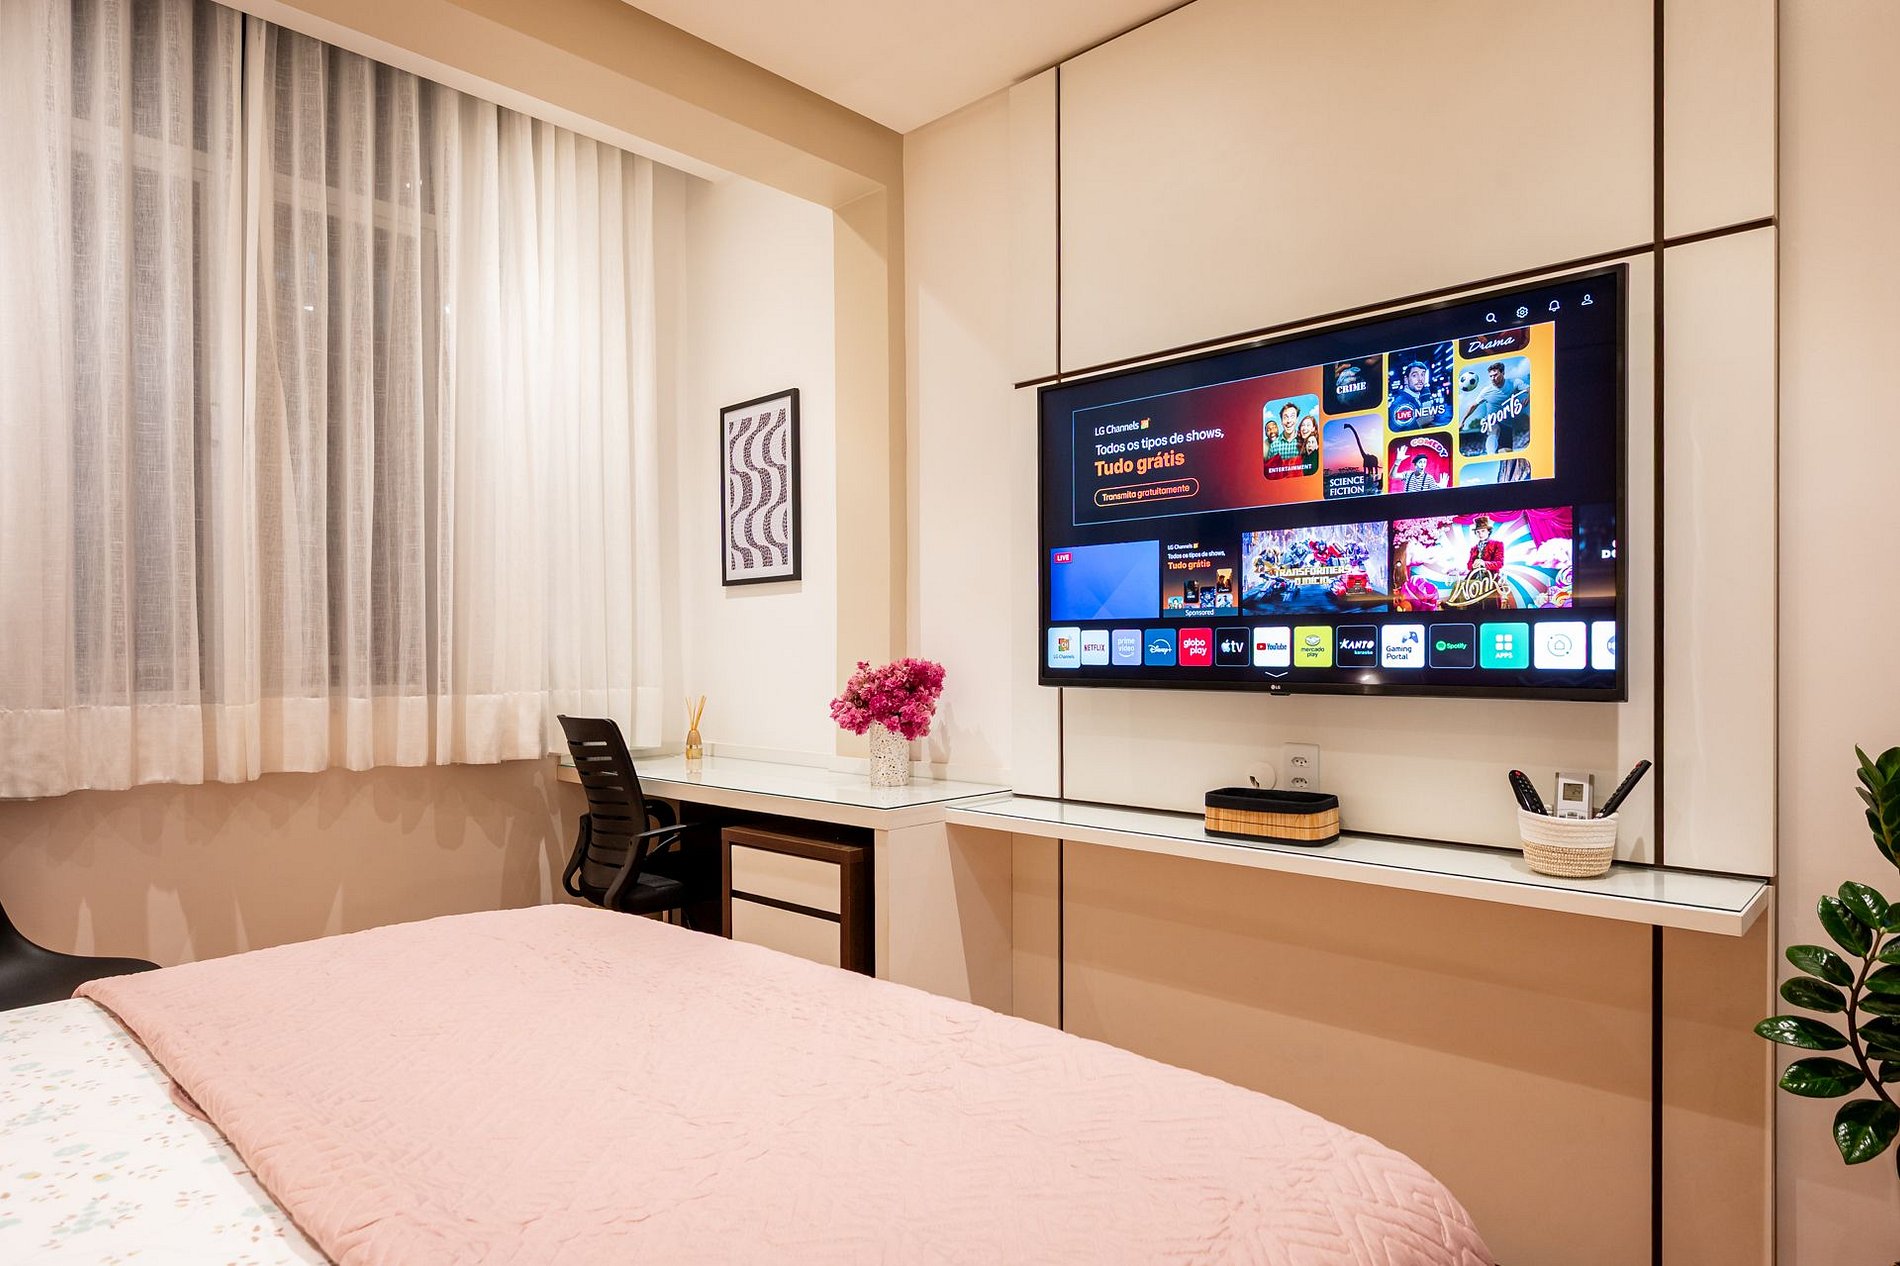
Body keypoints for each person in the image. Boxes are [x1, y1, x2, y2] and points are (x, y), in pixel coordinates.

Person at [1459, 361, 1529, 456]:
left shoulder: (1514, 383)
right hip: (1492, 421)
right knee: (1494, 428)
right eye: (1491, 376)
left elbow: (1529, 389)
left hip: (1507, 424)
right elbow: (1473, 406)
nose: (1493, 378)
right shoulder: (1486, 391)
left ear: (1503, 373)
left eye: (1495, 375)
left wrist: (1529, 396)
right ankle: (1490, 454)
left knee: (1505, 453)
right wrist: (1462, 421)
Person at [1388, 359, 1445, 431]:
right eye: (1414, 375)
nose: (1420, 379)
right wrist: (1419, 423)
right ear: (1406, 379)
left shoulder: (1419, 398)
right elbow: (1394, 431)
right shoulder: (1400, 403)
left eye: (1422, 375)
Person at [1263, 401, 1302, 475]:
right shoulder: (1273, 446)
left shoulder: (1304, 441)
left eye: (1292, 416)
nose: (1289, 421)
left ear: (1297, 419)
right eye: (1285, 417)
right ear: (1281, 421)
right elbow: (1269, 473)